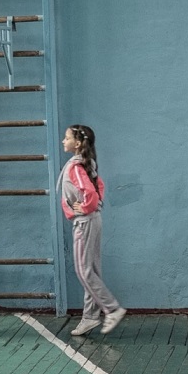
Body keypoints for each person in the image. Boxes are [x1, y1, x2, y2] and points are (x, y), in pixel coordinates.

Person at [58, 124, 126, 337]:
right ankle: (90, 317)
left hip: (85, 223)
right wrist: (93, 206)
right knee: (91, 270)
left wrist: (87, 206)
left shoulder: (75, 167)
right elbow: (99, 185)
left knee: (84, 271)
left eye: (67, 138)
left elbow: (91, 191)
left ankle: (112, 309)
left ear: (78, 143)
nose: (63, 141)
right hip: (92, 220)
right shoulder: (84, 164)